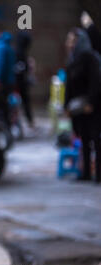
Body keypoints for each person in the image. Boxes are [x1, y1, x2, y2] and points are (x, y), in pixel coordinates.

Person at [64, 28, 101, 183]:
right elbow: (69, 84)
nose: (69, 44)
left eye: (72, 40)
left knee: (95, 139)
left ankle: (98, 174)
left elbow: (95, 81)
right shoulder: (73, 58)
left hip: (91, 106)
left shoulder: (90, 57)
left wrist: (91, 103)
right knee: (83, 138)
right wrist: (67, 105)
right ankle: (85, 172)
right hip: (78, 106)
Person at [0, 22, 16, 127]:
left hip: (2, 82)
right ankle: (7, 127)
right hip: (9, 81)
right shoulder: (7, 45)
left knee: (0, 107)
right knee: (5, 106)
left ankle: (4, 128)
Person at [15, 31, 34, 128]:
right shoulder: (19, 53)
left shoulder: (19, 52)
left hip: (19, 82)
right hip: (18, 83)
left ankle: (29, 121)